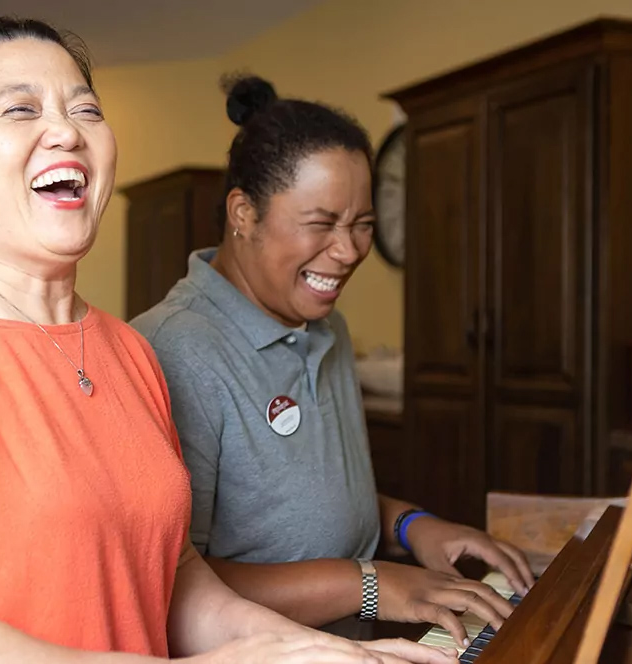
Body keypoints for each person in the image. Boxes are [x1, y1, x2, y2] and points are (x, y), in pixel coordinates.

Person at [0, 15, 456, 664]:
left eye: (85, 110)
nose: (65, 130)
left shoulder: (128, 353)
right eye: (20, 109)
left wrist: (310, 650)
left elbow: (173, 584)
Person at [131, 76, 537, 649]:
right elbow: (169, 582)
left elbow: (308, 499)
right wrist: (369, 583)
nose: (348, 252)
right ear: (243, 213)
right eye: (321, 223)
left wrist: (410, 525)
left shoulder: (327, 327)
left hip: (355, 636)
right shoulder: (172, 350)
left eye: (363, 224)